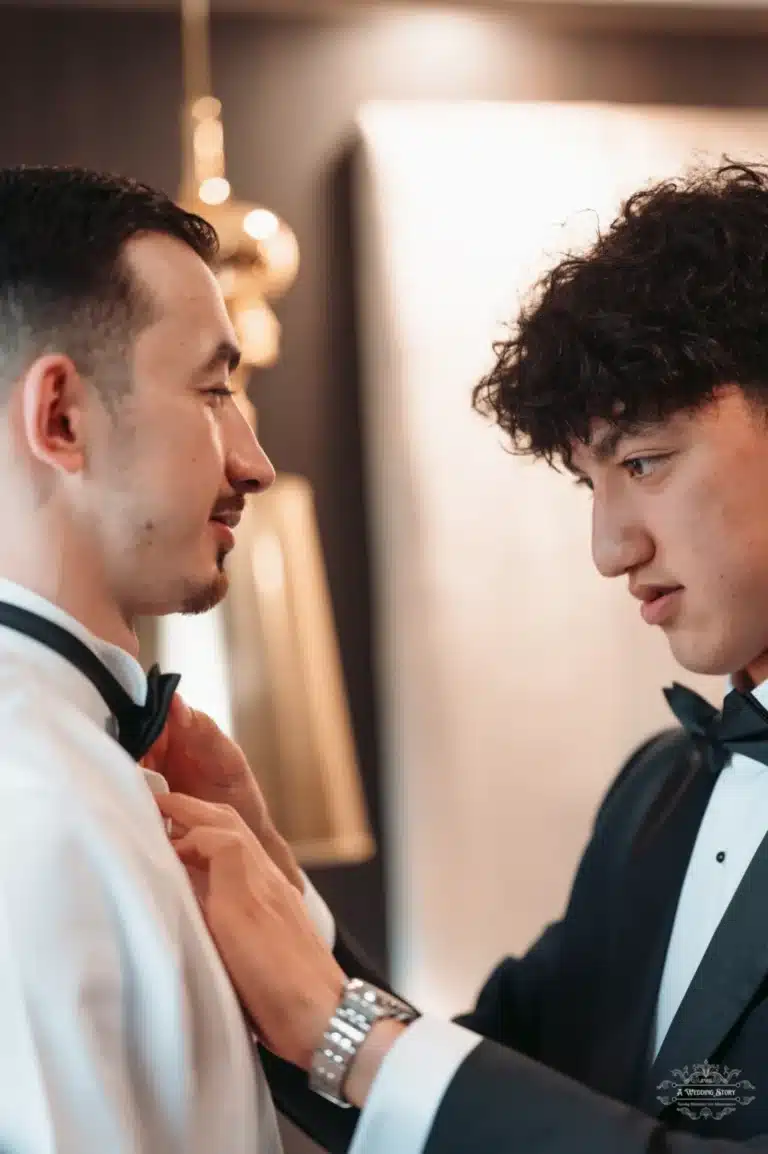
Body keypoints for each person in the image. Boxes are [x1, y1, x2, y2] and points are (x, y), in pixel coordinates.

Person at [151, 160, 768, 1154]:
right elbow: (498, 1084)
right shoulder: (661, 788)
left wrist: (348, 1036)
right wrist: (274, 875)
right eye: (590, 484)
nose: (611, 548)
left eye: (644, 461)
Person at [0, 165, 334, 1154]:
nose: (255, 461)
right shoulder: (32, 809)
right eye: (215, 388)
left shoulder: (98, 776)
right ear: (61, 417)